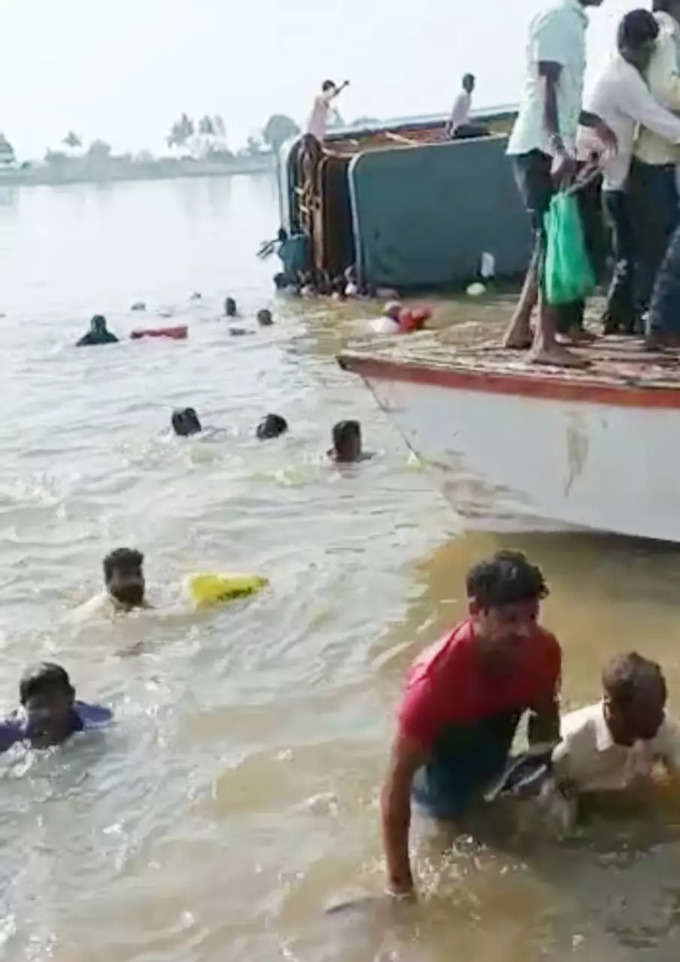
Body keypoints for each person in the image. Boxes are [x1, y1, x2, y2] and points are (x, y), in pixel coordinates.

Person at [381, 551, 561, 897]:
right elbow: (397, 782)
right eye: (510, 619)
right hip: (438, 785)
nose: (525, 632)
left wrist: (543, 768)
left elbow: (545, 716)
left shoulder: (544, 650)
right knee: (457, 853)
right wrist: (401, 888)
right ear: (477, 610)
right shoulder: (433, 683)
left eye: (532, 616)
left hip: (494, 762)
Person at [504, 0, 617, 367]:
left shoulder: (570, 20)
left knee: (546, 241)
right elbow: (545, 85)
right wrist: (557, 147)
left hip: (544, 144)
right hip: (540, 147)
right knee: (555, 240)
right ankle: (544, 343)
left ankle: (521, 328)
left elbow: (563, 94)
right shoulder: (559, 19)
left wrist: (591, 119)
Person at [580, 9, 680, 334]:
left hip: (612, 176)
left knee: (627, 254)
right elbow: (659, 121)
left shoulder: (614, 67)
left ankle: (615, 321)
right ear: (637, 46)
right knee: (635, 255)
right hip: (613, 180)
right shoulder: (625, 80)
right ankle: (633, 321)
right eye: (647, 51)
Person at [552, 652, 680, 793]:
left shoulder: (659, 722)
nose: (657, 720)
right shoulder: (569, 745)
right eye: (643, 713)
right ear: (611, 706)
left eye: (658, 708)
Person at [631, 0, 680, 321]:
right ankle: (657, 322)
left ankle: (642, 318)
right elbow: (666, 90)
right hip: (658, 156)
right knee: (665, 246)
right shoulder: (667, 33)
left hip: (653, 154)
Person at [0, 663, 112, 752]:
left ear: (71, 697)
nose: (46, 712)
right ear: (24, 706)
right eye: (37, 705)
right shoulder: (10, 732)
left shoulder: (91, 719)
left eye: (53, 701)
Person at [73, 547, 148, 619]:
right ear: (108, 582)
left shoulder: (148, 605)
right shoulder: (92, 613)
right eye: (125, 575)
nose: (135, 580)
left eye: (138, 574)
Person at [446, 73, 489, 139]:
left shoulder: (467, 96)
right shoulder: (463, 96)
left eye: (473, 83)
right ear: (465, 84)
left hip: (461, 127)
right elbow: (453, 115)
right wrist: (449, 130)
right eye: (470, 83)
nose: (472, 85)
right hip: (460, 128)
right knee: (484, 129)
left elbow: (462, 116)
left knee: (482, 127)